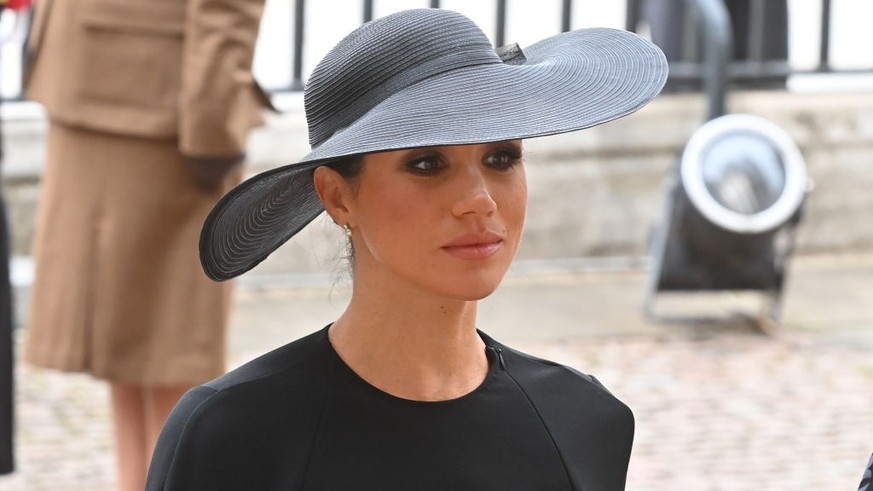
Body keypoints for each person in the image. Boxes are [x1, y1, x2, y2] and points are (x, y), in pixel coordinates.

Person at [146, 8, 667, 491]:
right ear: (337, 195)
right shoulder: (233, 435)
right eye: (426, 164)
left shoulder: (584, 420)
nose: (479, 201)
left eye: (502, 157)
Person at [21, 0, 269, 489]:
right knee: (162, 344)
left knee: (142, 342)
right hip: (163, 101)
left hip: (110, 75)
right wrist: (213, 125)